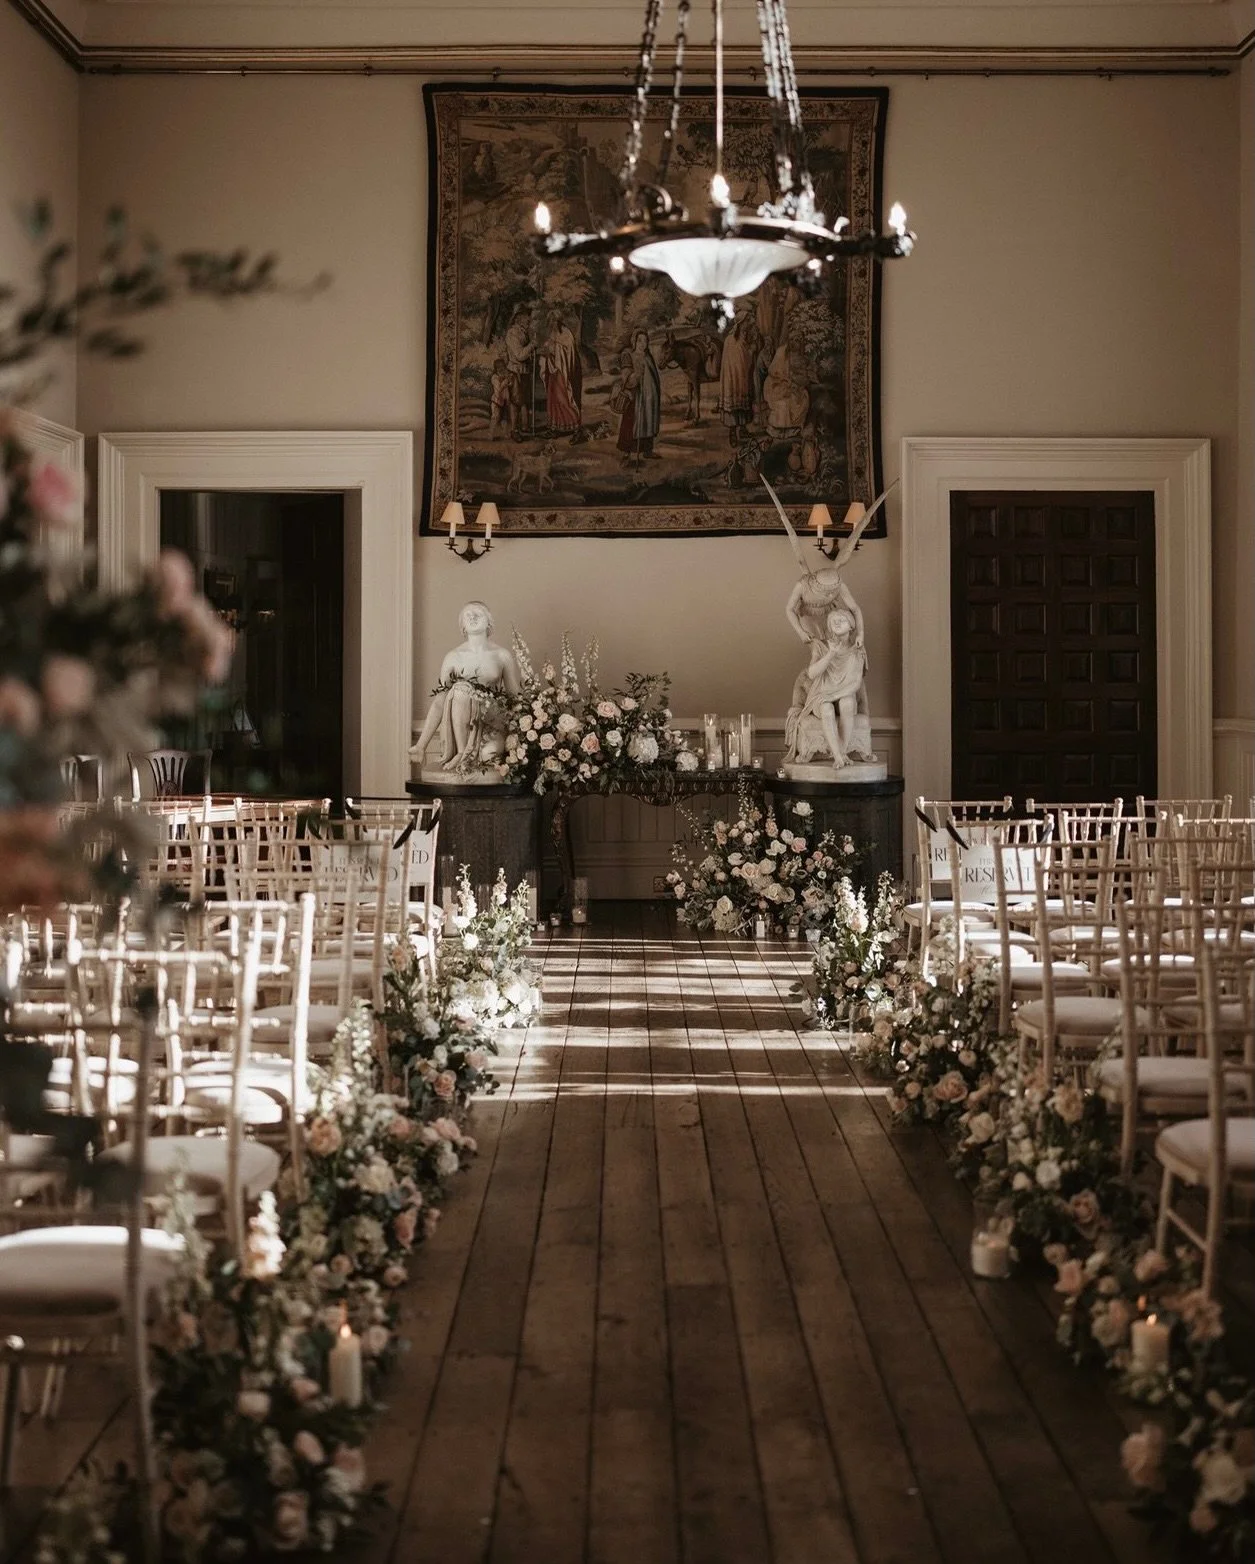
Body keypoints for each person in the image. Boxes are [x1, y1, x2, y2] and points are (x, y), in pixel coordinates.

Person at [410, 601, 521, 774]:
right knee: (460, 689)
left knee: (488, 756)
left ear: (489, 622)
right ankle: (462, 751)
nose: (473, 617)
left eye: (478, 613)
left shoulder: (501, 655)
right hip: (462, 730)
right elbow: (440, 702)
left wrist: (523, 737)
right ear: (462, 625)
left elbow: (514, 698)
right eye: (468, 614)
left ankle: (475, 751)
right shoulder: (453, 657)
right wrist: (420, 746)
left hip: (491, 723)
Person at [784, 605, 871, 768]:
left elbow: (855, 682)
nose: (837, 623)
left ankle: (842, 752)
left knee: (847, 702)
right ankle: (838, 756)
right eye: (833, 621)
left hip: (844, 693)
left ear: (851, 625)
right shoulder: (820, 646)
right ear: (829, 626)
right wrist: (830, 654)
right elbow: (812, 673)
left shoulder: (857, 649)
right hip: (821, 694)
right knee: (826, 708)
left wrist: (834, 696)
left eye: (841, 620)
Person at [616, 329, 662, 464]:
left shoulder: (648, 357)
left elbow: (654, 377)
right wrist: (635, 376)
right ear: (634, 342)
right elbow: (625, 378)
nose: (643, 344)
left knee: (649, 422)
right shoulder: (628, 355)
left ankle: (647, 450)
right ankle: (627, 453)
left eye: (645, 341)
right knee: (631, 424)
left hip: (649, 397)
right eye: (640, 340)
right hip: (635, 396)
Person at [542, 314, 582, 432]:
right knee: (553, 398)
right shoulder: (553, 333)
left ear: (558, 321)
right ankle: (556, 426)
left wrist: (554, 347)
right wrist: (548, 349)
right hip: (553, 369)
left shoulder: (566, 333)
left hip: (562, 370)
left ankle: (573, 423)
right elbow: (550, 348)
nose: (552, 324)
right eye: (550, 322)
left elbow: (569, 351)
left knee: (562, 397)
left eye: (554, 321)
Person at [504, 308, 535, 440]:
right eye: (527, 317)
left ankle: (525, 426)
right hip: (515, 372)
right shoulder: (512, 333)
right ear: (519, 319)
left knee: (524, 400)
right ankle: (514, 430)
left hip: (524, 371)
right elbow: (519, 355)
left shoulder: (524, 332)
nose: (529, 320)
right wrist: (532, 346)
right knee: (516, 402)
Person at [488, 357, 510, 440]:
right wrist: (505, 382)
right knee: (495, 417)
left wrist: (508, 380)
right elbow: (498, 389)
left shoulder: (505, 376)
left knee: (504, 418)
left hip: (504, 400)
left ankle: (505, 433)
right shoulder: (494, 377)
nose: (501, 369)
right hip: (496, 400)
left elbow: (509, 385)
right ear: (496, 368)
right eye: (499, 367)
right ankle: (490, 435)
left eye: (503, 367)